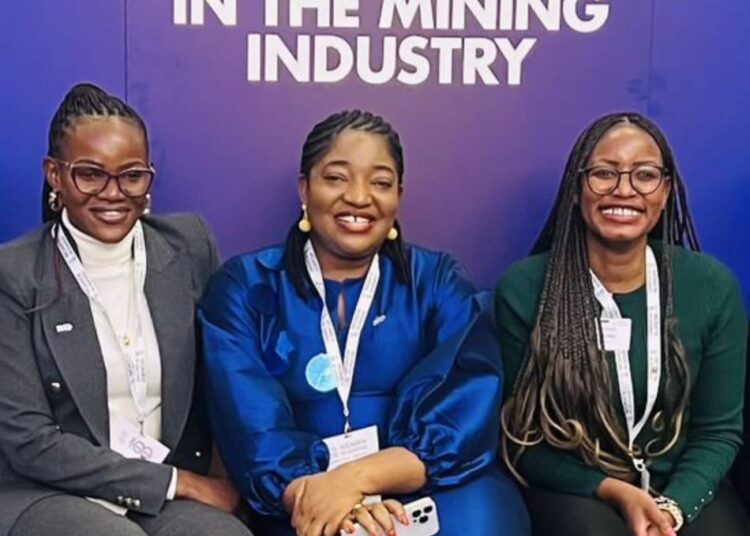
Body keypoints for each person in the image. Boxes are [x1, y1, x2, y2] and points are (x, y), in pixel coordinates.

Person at [199, 110, 530, 536]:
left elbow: (464, 410)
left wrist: (357, 479)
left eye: (380, 182)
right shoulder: (246, 287)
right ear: (305, 188)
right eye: (336, 178)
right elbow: (251, 424)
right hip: (304, 490)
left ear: (399, 196)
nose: (359, 197)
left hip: (429, 478)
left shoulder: (437, 280)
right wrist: (324, 496)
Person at [0, 83, 251, 536]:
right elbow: (28, 442)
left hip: (162, 492)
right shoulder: (14, 274)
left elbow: (226, 373)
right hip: (49, 490)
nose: (114, 193)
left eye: (132, 175)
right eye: (90, 174)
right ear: (55, 175)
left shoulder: (188, 246)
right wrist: (178, 482)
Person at [497, 112, 749, 535]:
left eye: (645, 175)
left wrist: (672, 508)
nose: (624, 189)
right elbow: (521, 442)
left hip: (681, 480)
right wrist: (612, 490)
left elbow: (718, 432)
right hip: (579, 485)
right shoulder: (524, 288)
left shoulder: (710, 286)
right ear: (577, 189)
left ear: (666, 191)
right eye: (603, 173)